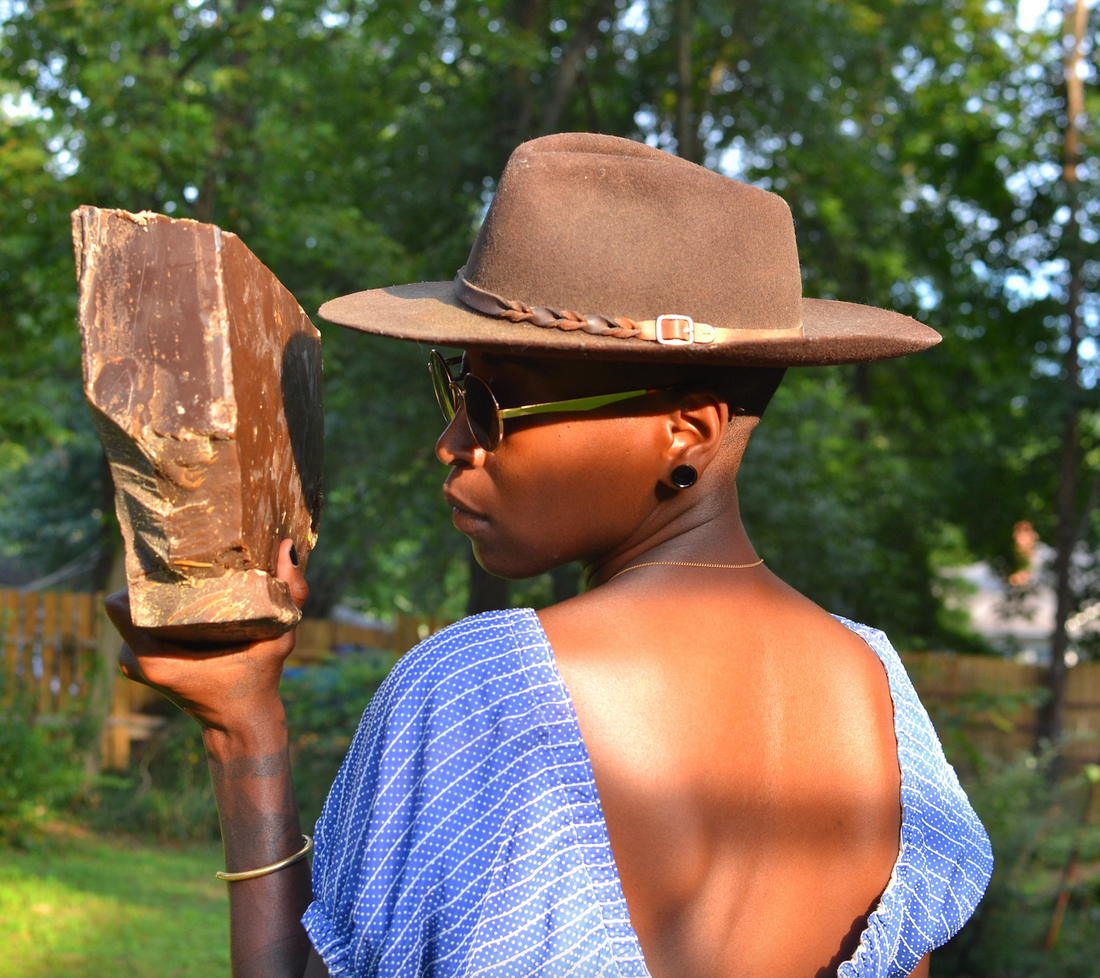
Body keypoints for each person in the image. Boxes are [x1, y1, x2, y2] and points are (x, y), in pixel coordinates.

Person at [107, 133, 992, 978]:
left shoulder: (483, 691)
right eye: (455, 387)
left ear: (687, 430)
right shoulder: (882, 696)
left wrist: (244, 728)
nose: (453, 442)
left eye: (494, 405)